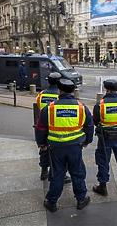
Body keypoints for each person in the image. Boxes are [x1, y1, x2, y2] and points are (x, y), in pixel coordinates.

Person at [35, 79, 94, 212]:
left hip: (55, 148)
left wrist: (42, 144)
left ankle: (52, 202)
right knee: (77, 173)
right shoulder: (81, 107)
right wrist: (87, 141)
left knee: (57, 174)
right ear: (73, 91)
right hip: (75, 147)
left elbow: (41, 128)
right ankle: (80, 199)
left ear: (59, 90)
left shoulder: (49, 108)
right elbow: (89, 127)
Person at [92, 79, 117, 196]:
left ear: (106, 89)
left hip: (105, 138)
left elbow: (96, 121)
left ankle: (102, 186)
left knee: (103, 161)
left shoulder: (101, 104)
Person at [35, 72, 62, 180]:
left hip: (44, 127)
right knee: (57, 152)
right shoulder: (60, 96)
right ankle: (57, 173)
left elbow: (38, 106)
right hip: (56, 127)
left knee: (44, 150)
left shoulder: (41, 95)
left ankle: (44, 171)